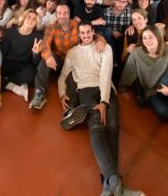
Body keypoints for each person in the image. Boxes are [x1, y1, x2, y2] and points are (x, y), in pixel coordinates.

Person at [58, 21, 145, 196]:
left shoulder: (105, 48)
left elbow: (106, 75)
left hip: (106, 90)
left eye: (88, 32)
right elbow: (62, 76)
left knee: (112, 128)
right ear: (79, 35)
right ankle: (117, 184)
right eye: (82, 33)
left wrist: (104, 101)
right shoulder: (73, 53)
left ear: (93, 32)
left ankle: (108, 185)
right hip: (85, 90)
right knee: (97, 127)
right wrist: (62, 95)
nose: (85, 35)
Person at [29, 3, 106, 109]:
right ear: (56, 15)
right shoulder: (51, 27)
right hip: (58, 59)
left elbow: (92, 34)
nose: (62, 16)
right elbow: (45, 43)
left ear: (69, 14)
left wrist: (100, 40)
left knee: (72, 79)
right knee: (43, 62)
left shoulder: (77, 25)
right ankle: (40, 93)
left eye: (65, 13)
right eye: (59, 13)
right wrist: (48, 57)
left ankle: (72, 105)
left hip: (74, 60)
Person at [0, 9, 42, 102]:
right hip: (7, 61)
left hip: (24, 64)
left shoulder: (38, 36)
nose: (31, 20)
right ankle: (9, 85)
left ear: (36, 22)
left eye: (34, 19)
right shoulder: (10, 32)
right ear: (23, 18)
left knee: (31, 76)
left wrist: (35, 54)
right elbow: (1, 51)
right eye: (28, 17)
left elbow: (35, 62)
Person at [104, 0, 132, 81]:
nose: (121, 3)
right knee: (107, 31)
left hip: (123, 38)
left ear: (127, 3)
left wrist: (132, 25)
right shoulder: (106, 11)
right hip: (109, 38)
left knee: (127, 28)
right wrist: (112, 31)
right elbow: (101, 26)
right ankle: (114, 61)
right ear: (114, 1)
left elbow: (138, 20)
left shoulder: (130, 11)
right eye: (119, 1)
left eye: (124, 2)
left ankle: (120, 67)